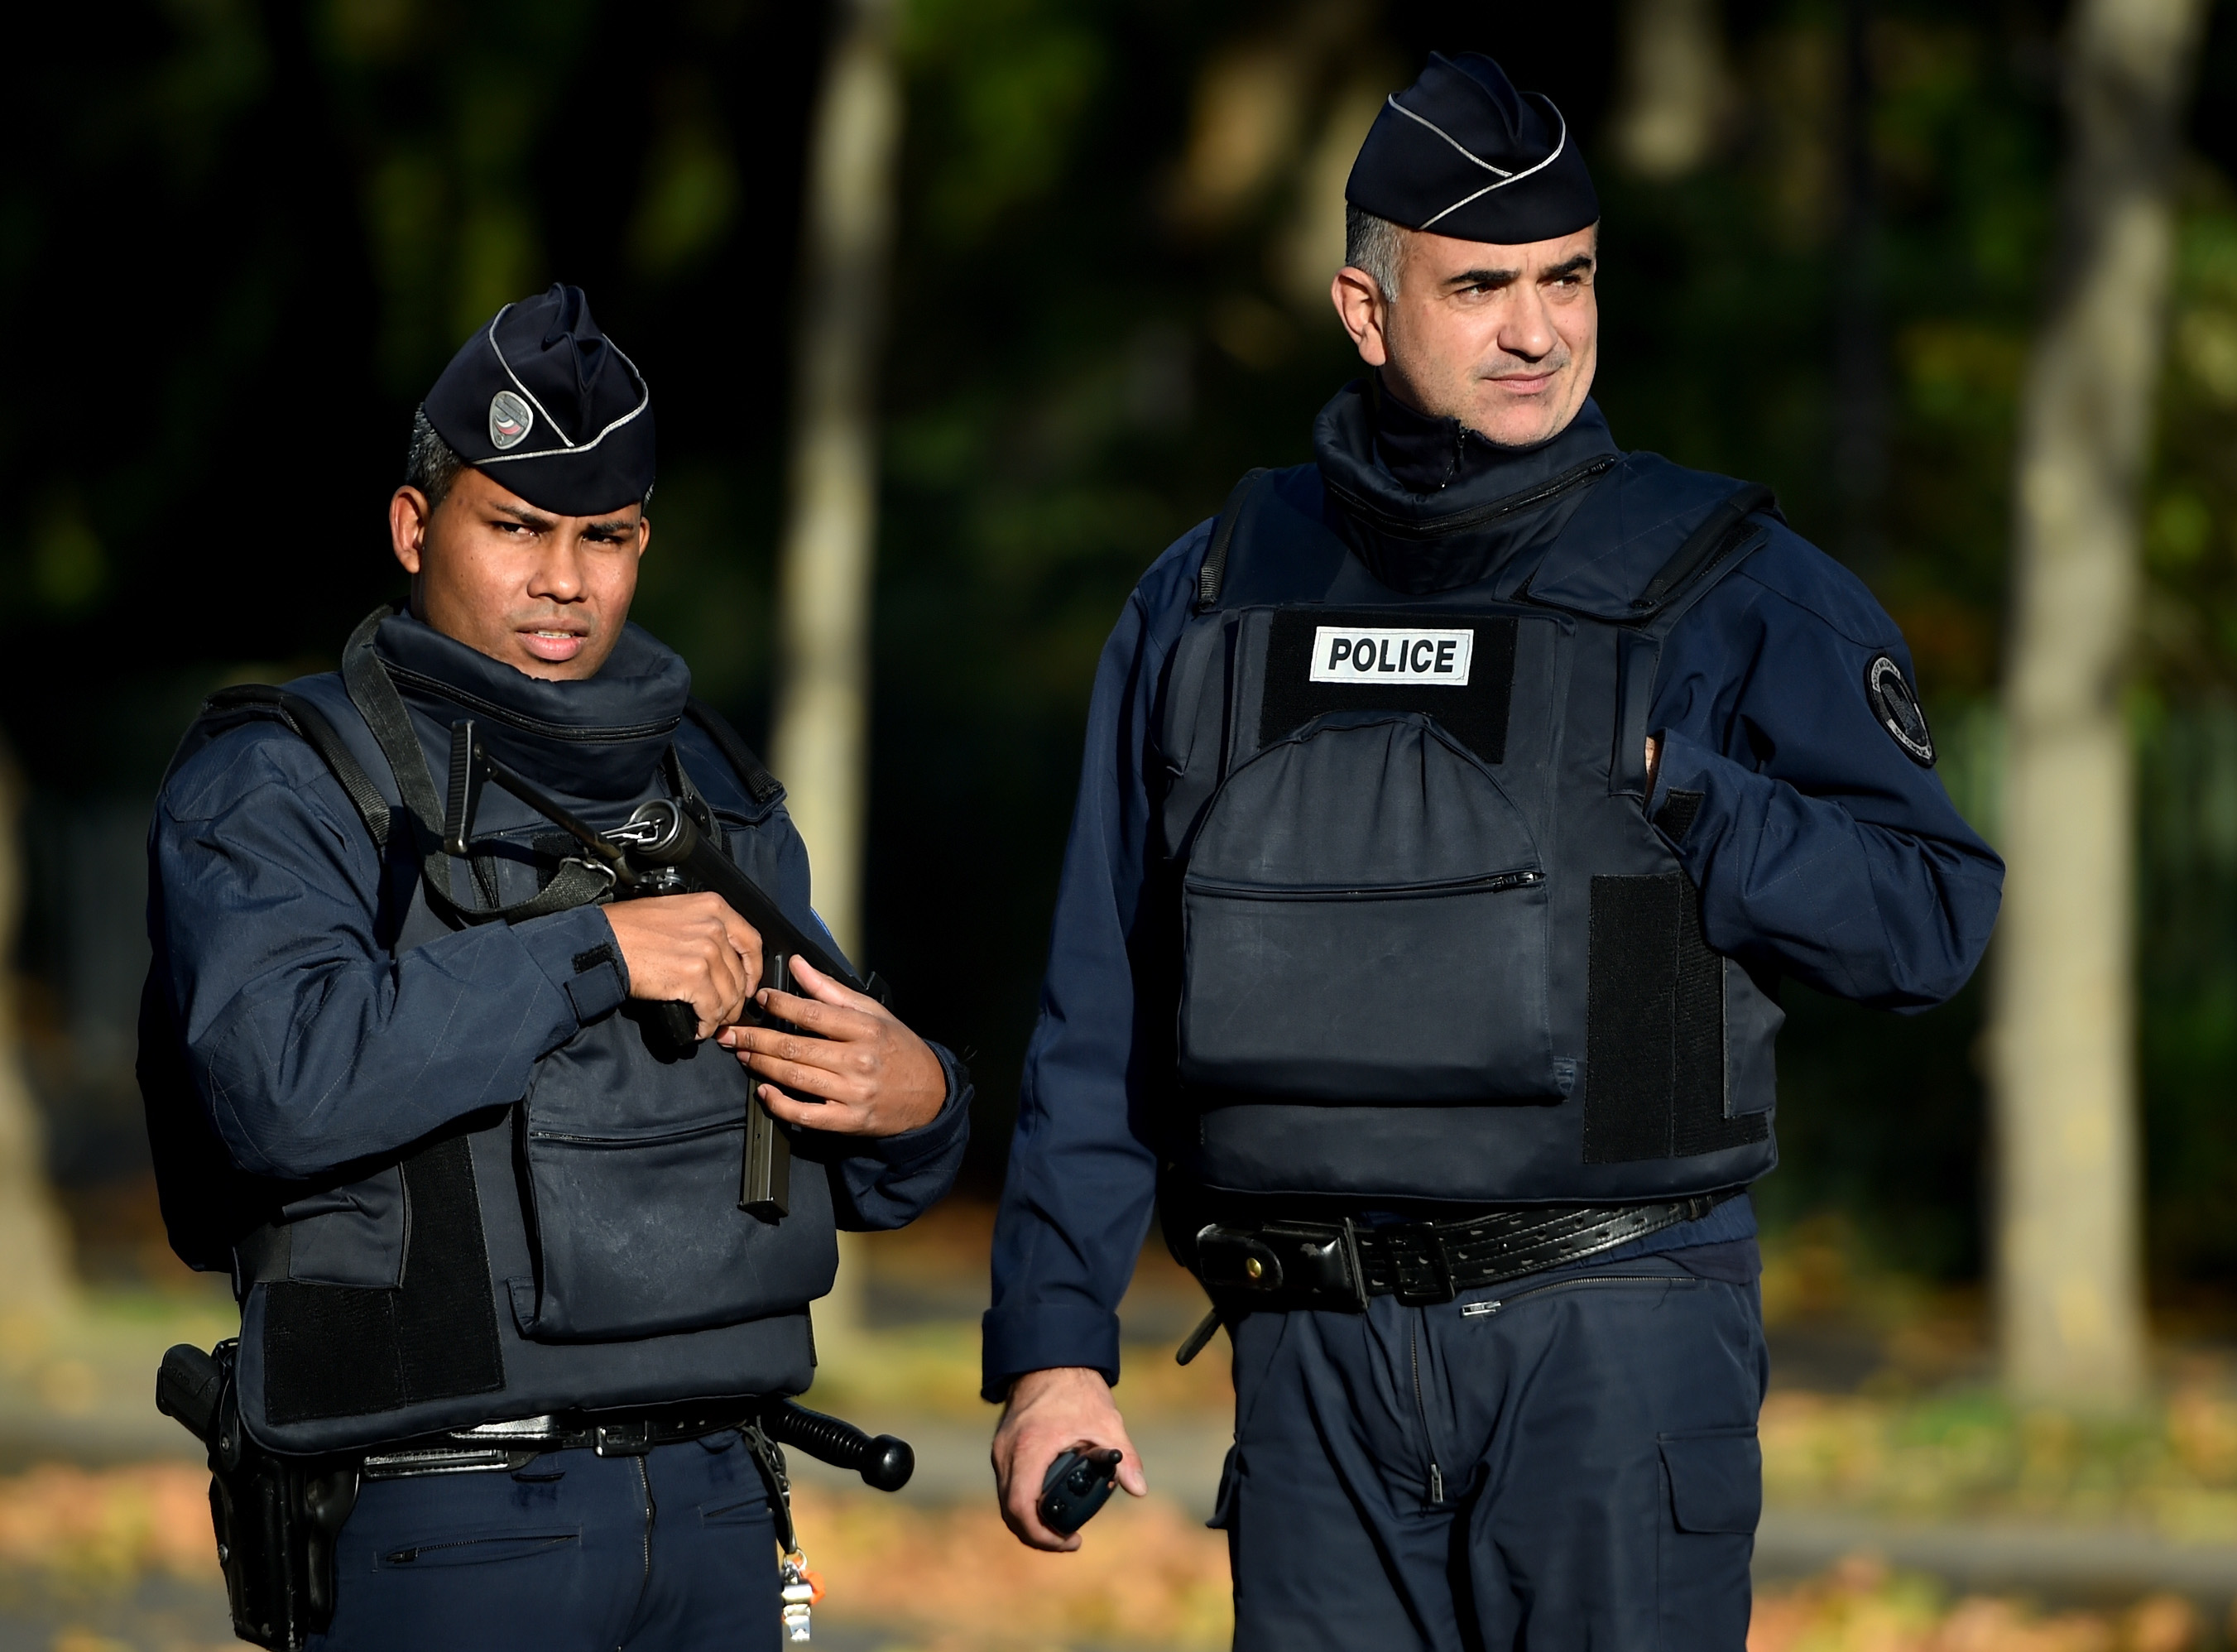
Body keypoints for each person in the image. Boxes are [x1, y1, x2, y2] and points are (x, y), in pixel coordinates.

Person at [983, 52, 2004, 1650]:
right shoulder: (1215, 597)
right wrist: (1052, 1354)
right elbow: (1100, 1002)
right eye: (1481, 287)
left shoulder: (1727, 588)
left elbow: (1933, 922)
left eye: (1567, 277)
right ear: (1363, 309)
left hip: (1614, 1333)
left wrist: (1693, 799)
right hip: (1314, 1361)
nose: (1538, 330)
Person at [142, 283, 970, 1651]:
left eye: (608, 535)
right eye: (516, 527)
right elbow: (278, 1085)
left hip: (719, 1506)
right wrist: (590, 954)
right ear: (416, 530)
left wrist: (924, 1097)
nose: (564, 580)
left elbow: (866, 1167)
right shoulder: (283, 781)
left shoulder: (714, 792)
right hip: (443, 1515)